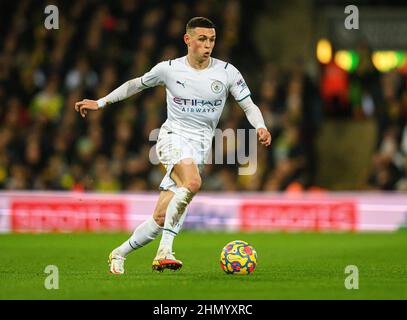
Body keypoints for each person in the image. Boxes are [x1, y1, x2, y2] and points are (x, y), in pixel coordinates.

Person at [74, 17, 272, 274]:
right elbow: (135, 84)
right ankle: (164, 251)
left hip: (199, 147)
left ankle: (118, 253)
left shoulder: (227, 72)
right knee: (193, 183)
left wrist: (260, 126)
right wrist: (101, 103)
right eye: (202, 39)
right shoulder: (169, 69)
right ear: (187, 40)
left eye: (212, 39)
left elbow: (248, 104)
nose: (208, 45)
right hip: (171, 138)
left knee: (159, 218)